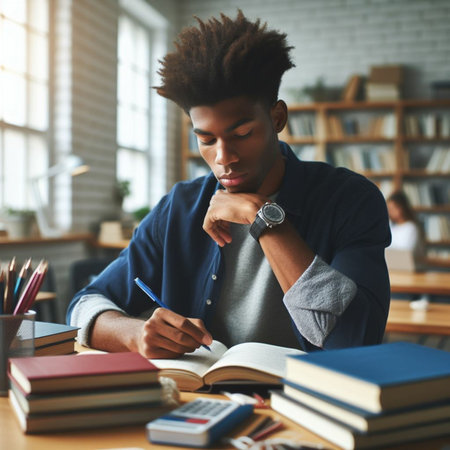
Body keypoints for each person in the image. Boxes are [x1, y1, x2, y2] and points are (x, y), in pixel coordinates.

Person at [67, 10, 391, 358]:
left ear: (277, 118)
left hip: (307, 404)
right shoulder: (180, 207)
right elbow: (84, 304)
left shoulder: (350, 200)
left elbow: (355, 339)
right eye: (206, 140)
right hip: (204, 402)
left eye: (242, 134)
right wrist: (134, 333)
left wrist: (265, 220)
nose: (224, 157)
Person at [386, 190, 425, 258]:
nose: (389, 212)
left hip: (407, 266)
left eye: (391, 209)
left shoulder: (411, 227)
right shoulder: (392, 226)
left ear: (400, 208)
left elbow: (405, 252)